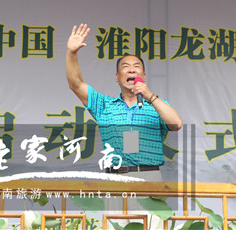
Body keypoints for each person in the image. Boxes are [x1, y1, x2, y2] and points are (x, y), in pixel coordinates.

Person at [65, 23, 182, 181]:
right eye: (125, 67)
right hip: (116, 177)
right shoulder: (104, 105)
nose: (131, 70)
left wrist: (150, 96)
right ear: (117, 77)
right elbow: (76, 84)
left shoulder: (156, 105)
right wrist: (71, 53)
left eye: (136, 67)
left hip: (149, 175)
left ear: (144, 76)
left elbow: (176, 124)